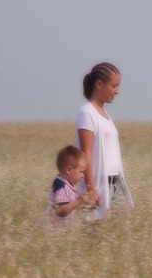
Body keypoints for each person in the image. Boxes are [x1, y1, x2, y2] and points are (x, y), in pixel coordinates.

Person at [76, 62, 134, 220]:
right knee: (95, 232)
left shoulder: (105, 115)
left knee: (120, 232)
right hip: (100, 185)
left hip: (115, 184)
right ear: (99, 84)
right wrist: (91, 189)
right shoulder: (87, 113)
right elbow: (85, 153)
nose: (117, 91)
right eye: (114, 86)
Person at [44, 145, 92, 230]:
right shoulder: (61, 186)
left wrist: (84, 204)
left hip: (65, 233)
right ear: (69, 170)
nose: (83, 176)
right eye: (81, 172)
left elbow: (70, 207)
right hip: (56, 233)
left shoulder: (68, 186)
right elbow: (60, 210)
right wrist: (79, 201)